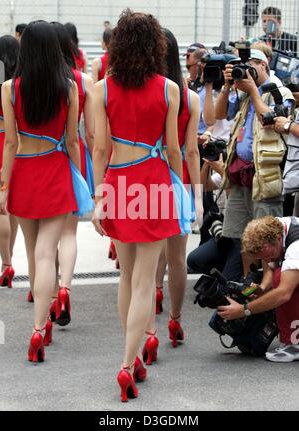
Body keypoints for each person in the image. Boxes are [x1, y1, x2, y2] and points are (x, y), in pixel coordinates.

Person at [92, 9, 190, 402]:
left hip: (118, 184)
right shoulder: (170, 89)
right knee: (145, 282)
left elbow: (100, 148)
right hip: (154, 184)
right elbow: (172, 149)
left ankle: (132, 359)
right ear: (156, 46)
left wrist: (99, 198)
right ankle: (126, 362)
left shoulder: (101, 89)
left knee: (126, 278)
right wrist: (182, 191)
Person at [0, 20, 81, 363]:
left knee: (34, 254)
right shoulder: (69, 87)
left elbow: (11, 142)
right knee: (48, 253)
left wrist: (3, 185)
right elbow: (72, 140)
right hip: (56, 170)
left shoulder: (9, 88)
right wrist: (80, 177)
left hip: (24, 173)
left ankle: (41, 320)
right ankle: (38, 327)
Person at [144, 28, 202, 360]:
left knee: (148, 256)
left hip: (142, 180)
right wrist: (196, 195)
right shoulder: (188, 96)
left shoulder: (141, 91)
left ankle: (149, 307)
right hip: (176, 181)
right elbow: (190, 151)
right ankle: (175, 321)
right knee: (177, 257)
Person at [215, 48, 294, 276]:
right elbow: (220, 115)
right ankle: (248, 283)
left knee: (267, 241)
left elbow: (272, 122)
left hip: (266, 178)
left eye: (252, 65)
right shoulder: (242, 92)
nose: (247, 71)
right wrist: (228, 86)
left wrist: (254, 92)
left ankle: (267, 286)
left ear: (264, 65)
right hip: (241, 176)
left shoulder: (280, 91)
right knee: (243, 238)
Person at [45, 22, 94, 326]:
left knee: (44, 237)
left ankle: (51, 294)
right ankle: (66, 287)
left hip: (42, 160)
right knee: (68, 233)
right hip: (75, 158)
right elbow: (89, 134)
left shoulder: (33, 82)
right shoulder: (82, 82)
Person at [218, 216, 299, 362]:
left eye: (267, 255)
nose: (267, 261)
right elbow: (272, 266)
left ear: (278, 239)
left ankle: (295, 344)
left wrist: (243, 310)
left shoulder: (295, 248)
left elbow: (283, 294)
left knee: (284, 284)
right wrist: (262, 289)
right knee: (278, 277)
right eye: (263, 258)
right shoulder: (275, 227)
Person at [0, 35, 19, 289]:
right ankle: (9, 258)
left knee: (0, 207)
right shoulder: (19, 84)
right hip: (16, 145)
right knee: (10, 205)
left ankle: (6, 263)